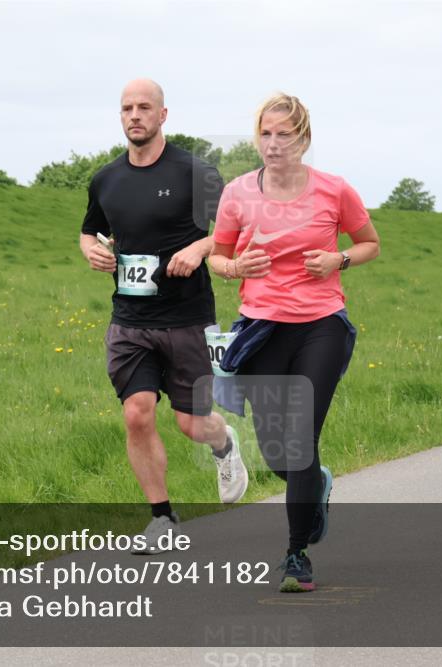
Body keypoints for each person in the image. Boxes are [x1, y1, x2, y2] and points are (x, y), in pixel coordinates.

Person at [208, 93, 380, 591]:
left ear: (303, 139)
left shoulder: (334, 190)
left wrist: (339, 261)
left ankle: (296, 553)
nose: (274, 143)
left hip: (321, 325)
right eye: (266, 133)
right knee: (278, 451)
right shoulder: (238, 193)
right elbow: (216, 258)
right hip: (261, 328)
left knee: (301, 437)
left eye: (285, 134)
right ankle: (316, 484)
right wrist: (236, 266)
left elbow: (370, 243)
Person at [80, 79, 247, 554]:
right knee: (137, 413)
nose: (135, 115)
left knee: (192, 424)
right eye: (127, 108)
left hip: (189, 318)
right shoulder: (106, 178)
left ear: (163, 115)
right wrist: (93, 250)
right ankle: (162, 517)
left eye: (144, 107)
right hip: (130, 318)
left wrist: (198, 247)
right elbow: (89, 231)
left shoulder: (197, 173)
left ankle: (224, 444)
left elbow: (230, 232)